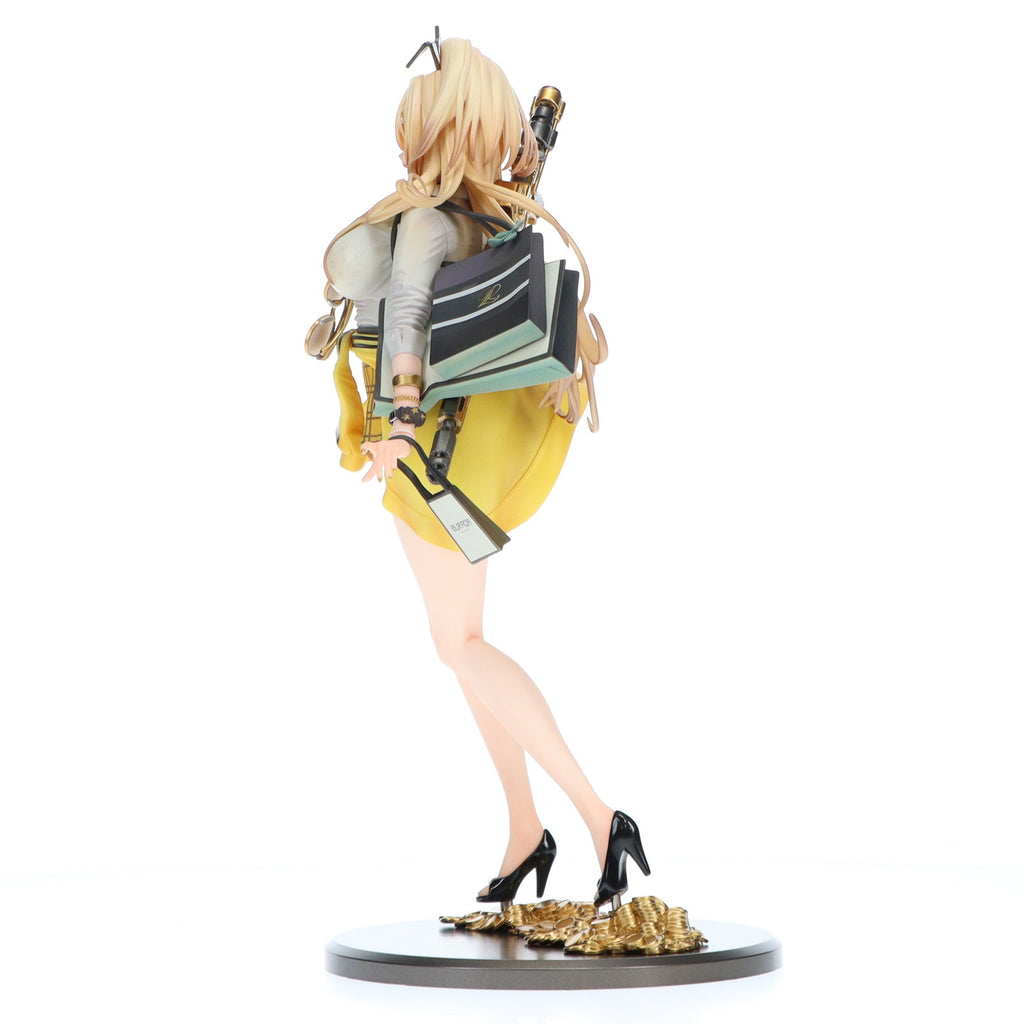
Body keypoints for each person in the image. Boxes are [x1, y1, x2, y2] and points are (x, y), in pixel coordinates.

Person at [319, 35, 647, 910]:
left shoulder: (431, 223)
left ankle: (600, 816)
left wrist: (395, 426)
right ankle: (525, 829)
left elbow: (409, 313)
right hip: (471, 448)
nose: (405, 142)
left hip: (432, 448)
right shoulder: (491, 218)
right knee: (455, 643)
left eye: (417, 125)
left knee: (460, 644)